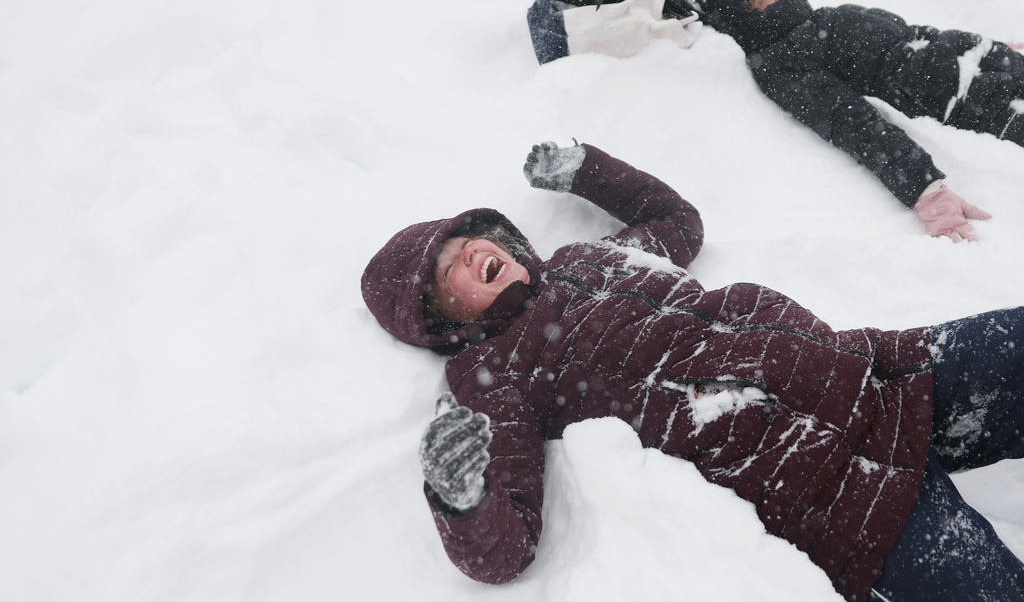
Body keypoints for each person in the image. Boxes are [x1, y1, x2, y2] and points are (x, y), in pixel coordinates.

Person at [361, 142, 1024, 602]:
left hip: (875, 372)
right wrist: (462, 495)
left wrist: (588, 169)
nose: (468, 253)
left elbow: (677, 222)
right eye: (449, 272)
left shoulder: (585, 256)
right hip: (833, 489)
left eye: (466, 239)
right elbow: (506, 550)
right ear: (449, 323)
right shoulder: (490, 370)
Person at [695, 0, 1024, 243]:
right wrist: (924, 189)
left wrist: (986, 49)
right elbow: (853, 123)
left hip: (963, 55)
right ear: (744, 19)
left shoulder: (818, 19)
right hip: (953, 95)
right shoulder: (782, 62)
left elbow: (907, 36)